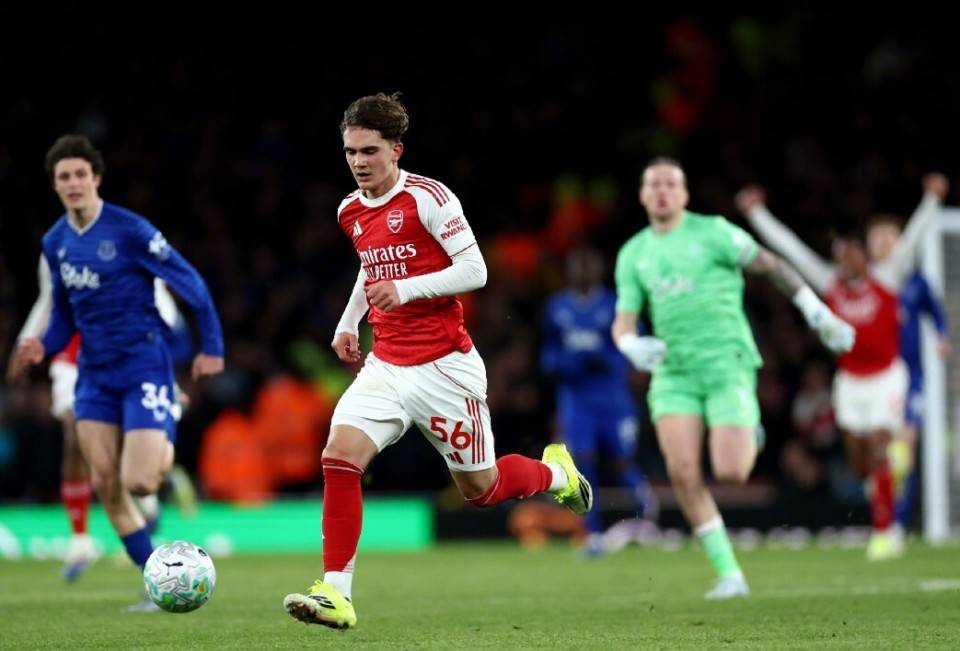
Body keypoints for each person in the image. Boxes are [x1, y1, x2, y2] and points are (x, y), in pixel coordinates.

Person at [282, 93, 591, 630]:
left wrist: (405, 289)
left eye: (370, 151)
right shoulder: (350, 210)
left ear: (396, 150)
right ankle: (336, 593)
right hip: (386, 366)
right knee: (339, 457)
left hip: (444, 367)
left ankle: (554, 473)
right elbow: (370, 266)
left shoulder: (429, 198)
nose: (358, 162)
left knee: (481, 490)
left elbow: (475, 270)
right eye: (351, 151)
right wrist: (348, 321)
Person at [613, 158, 854, 599]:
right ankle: (729, 573)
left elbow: (772, 266)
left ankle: (751, 432)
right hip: (674, 372)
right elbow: (623, 320)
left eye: (671, 184)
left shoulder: (714, 232)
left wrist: (818, 313)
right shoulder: (633, 253)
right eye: (654, 185)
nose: (663, 191)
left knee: (731, 471)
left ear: (684, 194)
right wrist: (630, 345)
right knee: (683, 472)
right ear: (643, 195)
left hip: (727, 362)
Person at [8, 134, 224, 610]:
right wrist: (43, 345)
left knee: (140, 482)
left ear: (96, 178)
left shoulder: (130, 230)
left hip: (143, 366)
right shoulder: (55, 242)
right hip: (94, 377)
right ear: (55, 184)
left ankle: (167, 442)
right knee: (106, 483)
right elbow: (64, 314)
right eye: (64, 177)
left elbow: (189, 281)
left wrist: (211, 345)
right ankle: (154, 582)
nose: (73, 183)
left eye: (80, 174)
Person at [736, 172, 948, 560]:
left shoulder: (887, 278)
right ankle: (884, 480)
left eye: (850, 253)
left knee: (881, 449)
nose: (843, 260)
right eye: (839, 254)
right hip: (850, 382)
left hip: (887, 378)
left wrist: (932, 200)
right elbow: (792, 250)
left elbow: (914, 237)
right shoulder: (830, 284)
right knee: (858, 462)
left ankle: (885, 532)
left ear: (864, 256)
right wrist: (757, 214)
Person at [6, 255, 195, 581]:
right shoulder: (55, 249)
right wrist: (24, 344)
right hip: (74, 357)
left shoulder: (128, 242)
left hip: (127, 357)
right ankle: (80, 540)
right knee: (75, 433)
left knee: (125, 453)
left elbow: (160, 304)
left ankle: (155, 489)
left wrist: (164, 372)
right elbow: (48, 300)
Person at [541, 245, 658, 556]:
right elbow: (548, 352)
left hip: (612, 396)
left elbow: (634, 344)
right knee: (583, 461)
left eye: (587, 265)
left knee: (622, 461)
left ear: (598, 270)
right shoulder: (556, 307)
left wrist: (607, 358)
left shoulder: (614, 305)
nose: (582, 272)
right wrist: (562, 363)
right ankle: (592, 534)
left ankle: (649, 518)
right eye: (576, 266)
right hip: (576, 398)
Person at [866, 214, 950, 534]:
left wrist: (942, 335)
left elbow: (936, 312)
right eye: (877, 237)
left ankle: (897, 523)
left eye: (890, 236)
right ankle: (883, 517)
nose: (884, 243)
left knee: (905, 448)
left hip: (911, 375)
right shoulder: (867, 284)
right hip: (875, 377)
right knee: (880, 453)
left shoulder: (916, 281)